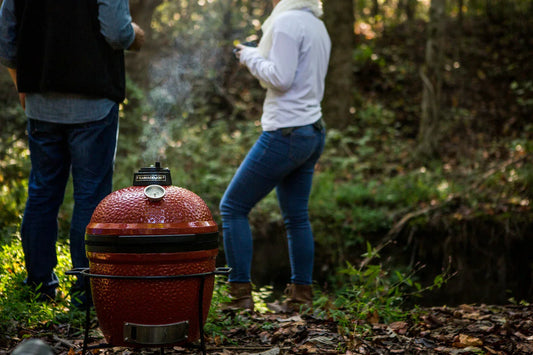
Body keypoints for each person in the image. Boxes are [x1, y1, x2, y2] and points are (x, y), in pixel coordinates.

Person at [0, 0, 145, 306]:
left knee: (41, 192)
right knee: (90, 196)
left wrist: (22, 85)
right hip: (92, 102)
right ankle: (85, 294)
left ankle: (39, 287)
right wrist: (137, 34)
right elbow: (117, 34)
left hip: (40, 101)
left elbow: (6, 39)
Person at [220, 0, 331, 312]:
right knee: (296, 217)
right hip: (312, 130)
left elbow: (280, 79)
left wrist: (250, 56)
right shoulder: (317, 24)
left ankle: (239, 299)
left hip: (287, 132)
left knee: (232, 207)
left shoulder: (285, 23)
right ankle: (301, 299)